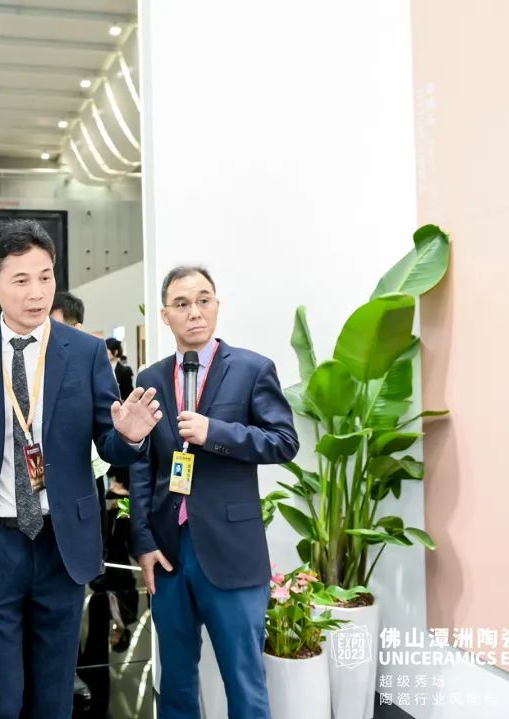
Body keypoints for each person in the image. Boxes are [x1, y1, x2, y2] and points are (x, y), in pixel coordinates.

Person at [0, 219, 162, 719]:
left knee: (54, 697)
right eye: (21, 280)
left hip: (62, 544)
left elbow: (108, 442)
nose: (37, 292)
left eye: (45, 277)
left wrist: (129, 435)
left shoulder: (84, 351)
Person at [129, 266, 299, 719]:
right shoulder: (149, 377)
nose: (195, 312)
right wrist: (143, 541)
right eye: (182, 304)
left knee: (244, 683)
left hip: (232, 552)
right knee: (175, 683)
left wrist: (215, 433)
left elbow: (284, 442)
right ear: (165, 315)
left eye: (203, 300)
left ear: (217, 306)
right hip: (169, 553)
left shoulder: (252, 369)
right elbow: (143, 466)